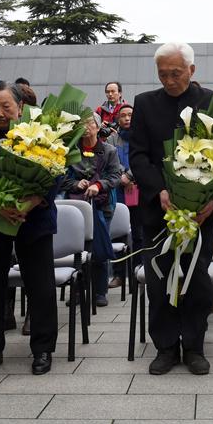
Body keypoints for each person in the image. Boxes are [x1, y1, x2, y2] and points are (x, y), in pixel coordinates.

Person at [129, 42, 213, 376]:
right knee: (159, 279)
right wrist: (160, 191)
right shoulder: (145, 104)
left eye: (176, 73)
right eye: (163, 74)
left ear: (192, 70)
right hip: (159, 212)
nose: (170, 80)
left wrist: (212, 200)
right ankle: (166, 347)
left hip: (202, 213)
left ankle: (195, 346)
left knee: (197, 280)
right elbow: (138, 155)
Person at [0, 81, 59, 375]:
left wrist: (32, 201)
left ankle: (42, 348)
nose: (0, 112)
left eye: (6, 106)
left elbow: (55, 173)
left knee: (40, 287)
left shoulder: (40, 136)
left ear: (20, 107)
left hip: (34, 221)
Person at [60, 112, 122, 307]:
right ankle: (78, 289)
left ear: (97, 126)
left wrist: (98, 185)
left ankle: (99, 291)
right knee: (79, 249)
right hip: (77, 207)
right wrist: (77, 184)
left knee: (99, 245)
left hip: (102, 205)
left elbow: (115, 176)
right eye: (82, 124)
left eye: (90, 123)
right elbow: (62, 178)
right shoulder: (71, 151)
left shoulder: (108, 150)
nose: (86, 127)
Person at [106, 103, 143, 288]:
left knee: (139, 233)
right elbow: (111, 161)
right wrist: (122, 176)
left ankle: (138, 271)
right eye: (123, 116)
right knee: (118, 234)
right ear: (118, 119)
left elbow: (143, 160)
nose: (127, 118)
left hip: (139, 190)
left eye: (130, 115)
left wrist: (129, 176)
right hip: (119, 192)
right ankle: (119, 275)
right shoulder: (112, 140)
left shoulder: (142, 138)